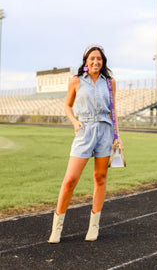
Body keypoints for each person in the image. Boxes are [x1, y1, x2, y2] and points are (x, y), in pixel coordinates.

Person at [48, 44, 124, 243]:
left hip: (105, 131)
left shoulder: (110, 82)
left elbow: (113, 110)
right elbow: (67, 105)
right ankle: (57, 227)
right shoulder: (75, 81)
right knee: (70, 180)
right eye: (92, 58)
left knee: (100, 178)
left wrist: (117, 136)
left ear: (103, 61)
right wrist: (75, 122)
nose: (95, 62)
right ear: (85, 61)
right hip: (84, 131)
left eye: (99, 59)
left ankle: (94, 226)